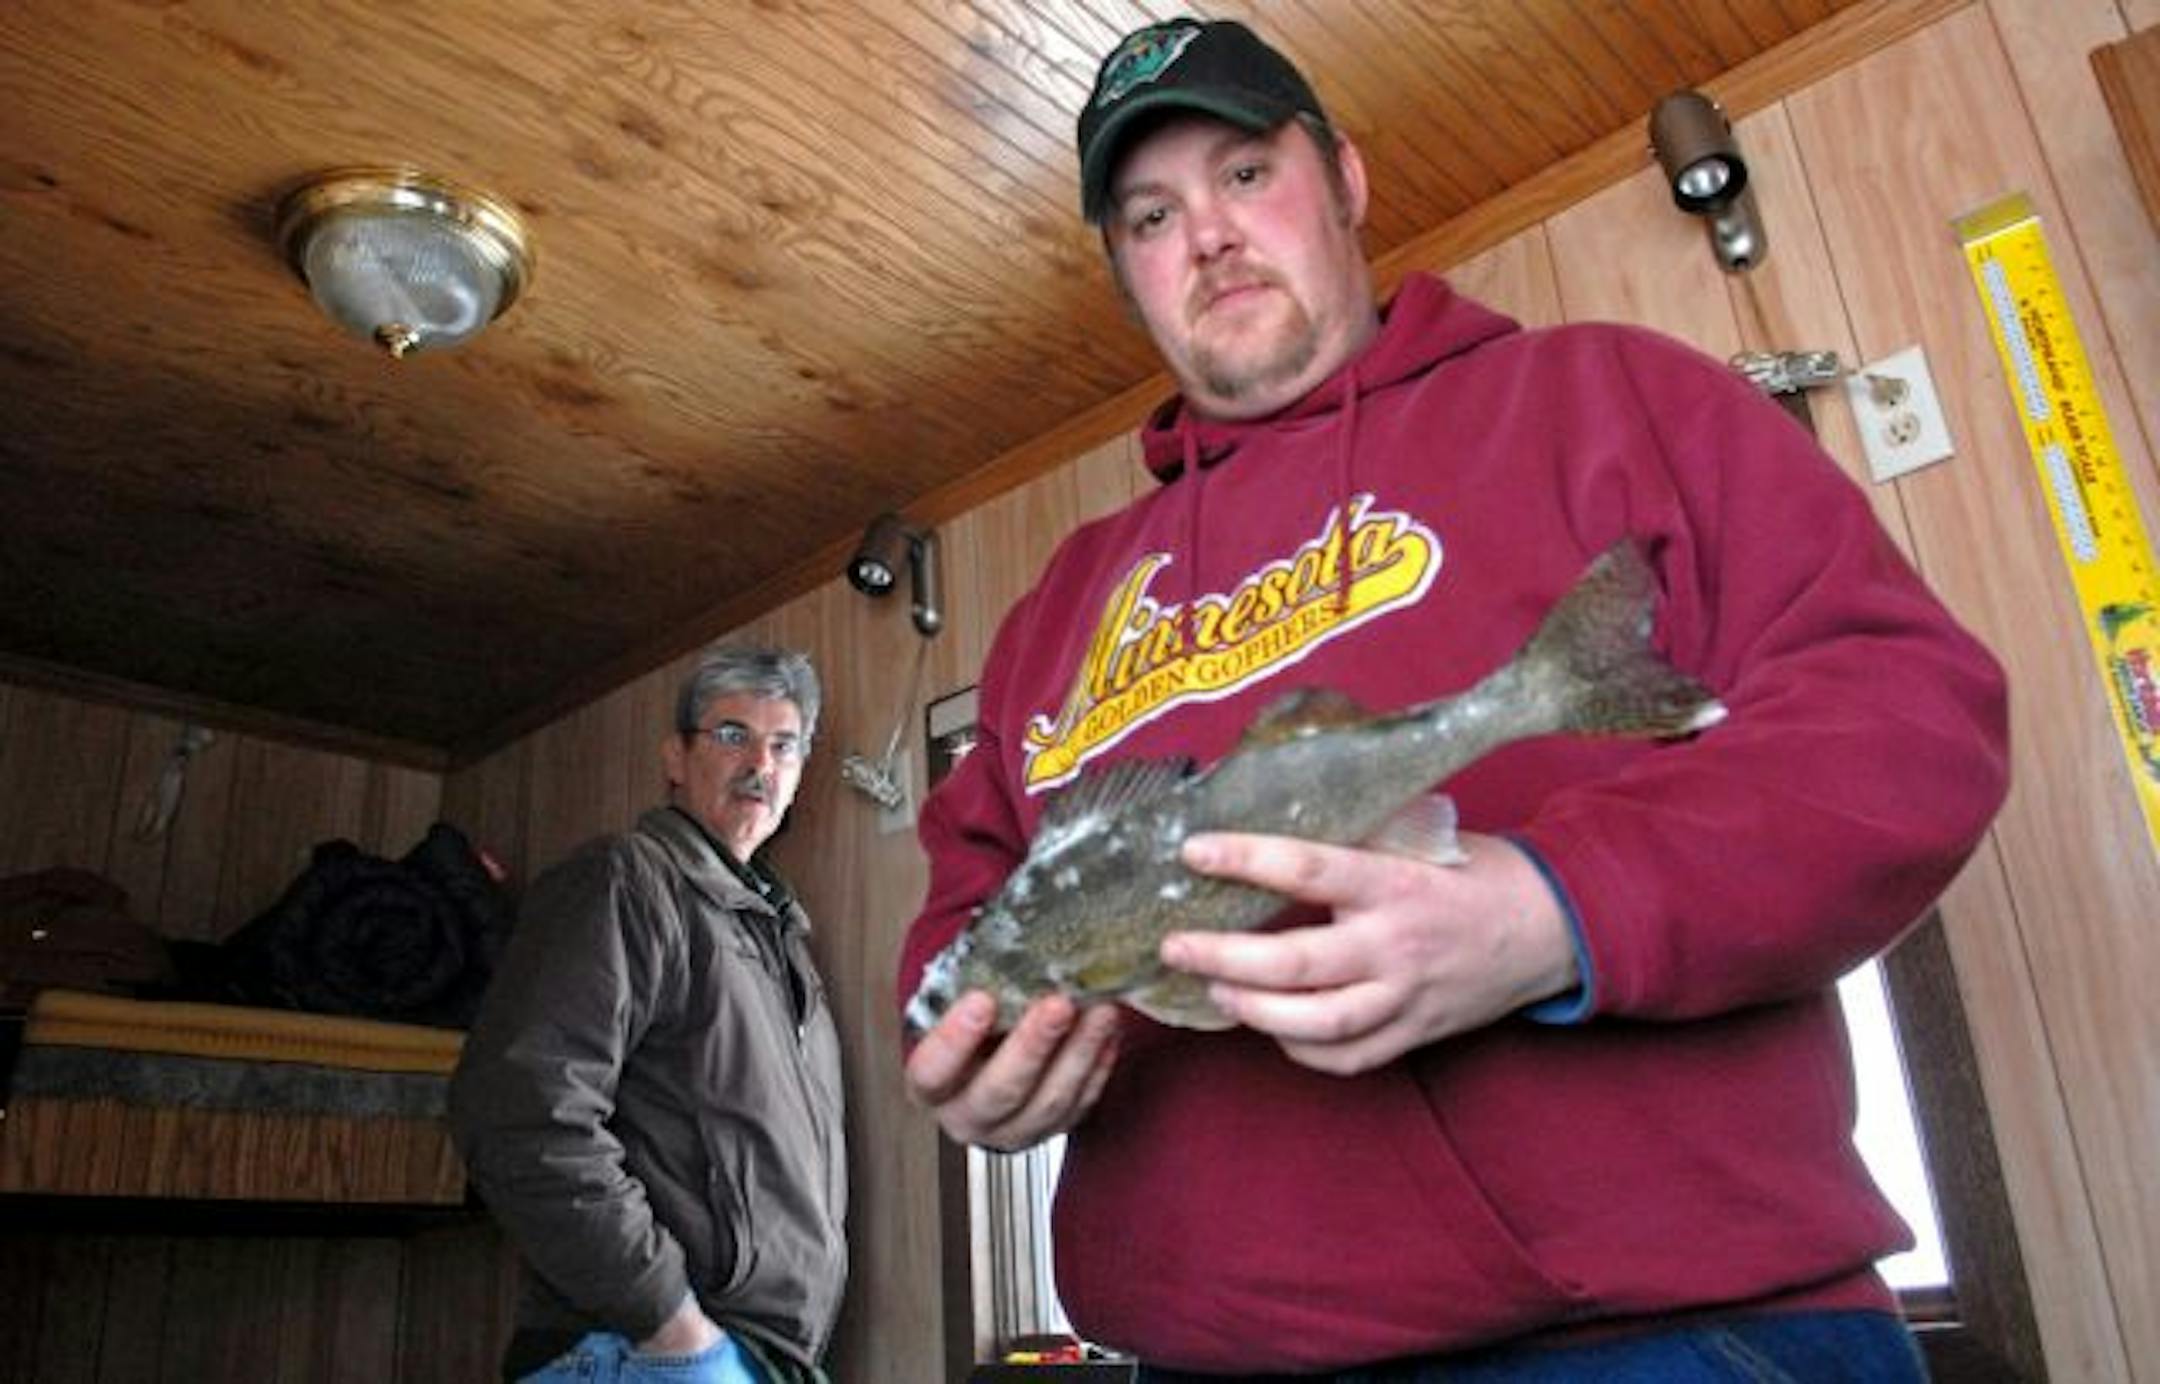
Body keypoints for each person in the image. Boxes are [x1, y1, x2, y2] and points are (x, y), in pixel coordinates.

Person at [897, 16, 2009, 1382]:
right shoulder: (1057, 610)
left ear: (1347, 181)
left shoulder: (1612, 395)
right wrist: (972, 1065)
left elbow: (1904, 715)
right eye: (1151, 214)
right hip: (1200, 1357)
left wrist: (1559, 913)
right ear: (1127, 273)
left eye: (1246, 174)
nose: (1211, 235)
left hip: (1668, 1338)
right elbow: (968, 903)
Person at [453, 645, 846, 1384]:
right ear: (676, 756)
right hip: (639, 1348)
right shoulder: (625, 880)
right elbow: (519, 1112)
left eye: (784, 743)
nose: (761, 761)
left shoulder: (783, 938)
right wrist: (671, 1322)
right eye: (732, 734)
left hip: (755, 1356)